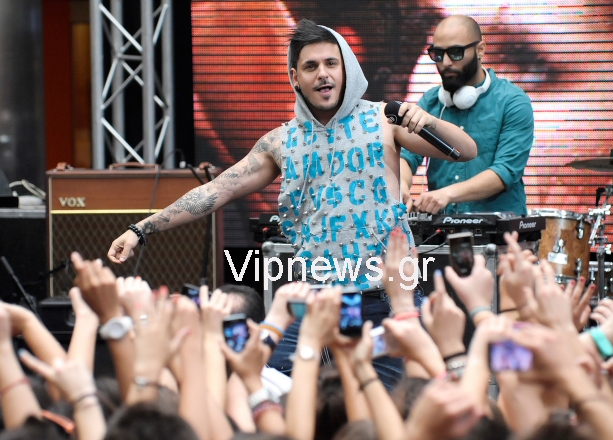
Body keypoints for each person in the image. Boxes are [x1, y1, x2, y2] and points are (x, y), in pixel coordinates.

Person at [108, 19, 477, 383]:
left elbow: (466, 151)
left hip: (384, 299)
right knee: (274, 388)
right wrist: (141, 229)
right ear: (295, 77)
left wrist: (428, 121)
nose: (323, 74)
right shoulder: (281, 141)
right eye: (311, 66)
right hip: (313, 302)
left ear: (346, 69)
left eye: (331, 63)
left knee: (394, 407)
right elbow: (215, 191)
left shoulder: (385, 119)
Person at [400, 15, 534, 216]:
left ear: (480, 50)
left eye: (456, 52)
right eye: (438, 54)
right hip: (442, 231)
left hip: (502, 231)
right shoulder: (430, 102)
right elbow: (407, 156)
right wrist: (401, 185)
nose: (445, 62)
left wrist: (447, 194)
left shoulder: (512, 101)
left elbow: (505, 171)